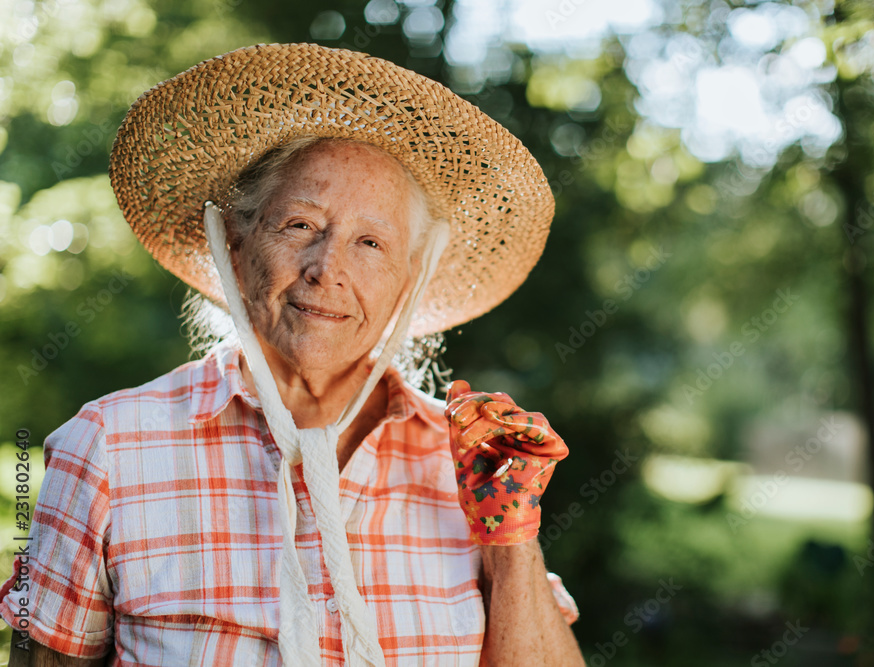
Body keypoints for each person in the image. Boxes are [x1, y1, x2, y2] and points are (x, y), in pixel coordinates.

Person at [0, 44, 584, 666]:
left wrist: (511, 541)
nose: (327, 269)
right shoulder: (108, 446)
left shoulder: (469, 463)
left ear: (411, 279)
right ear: (233, 242)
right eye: (300, 225)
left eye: (370, 242)